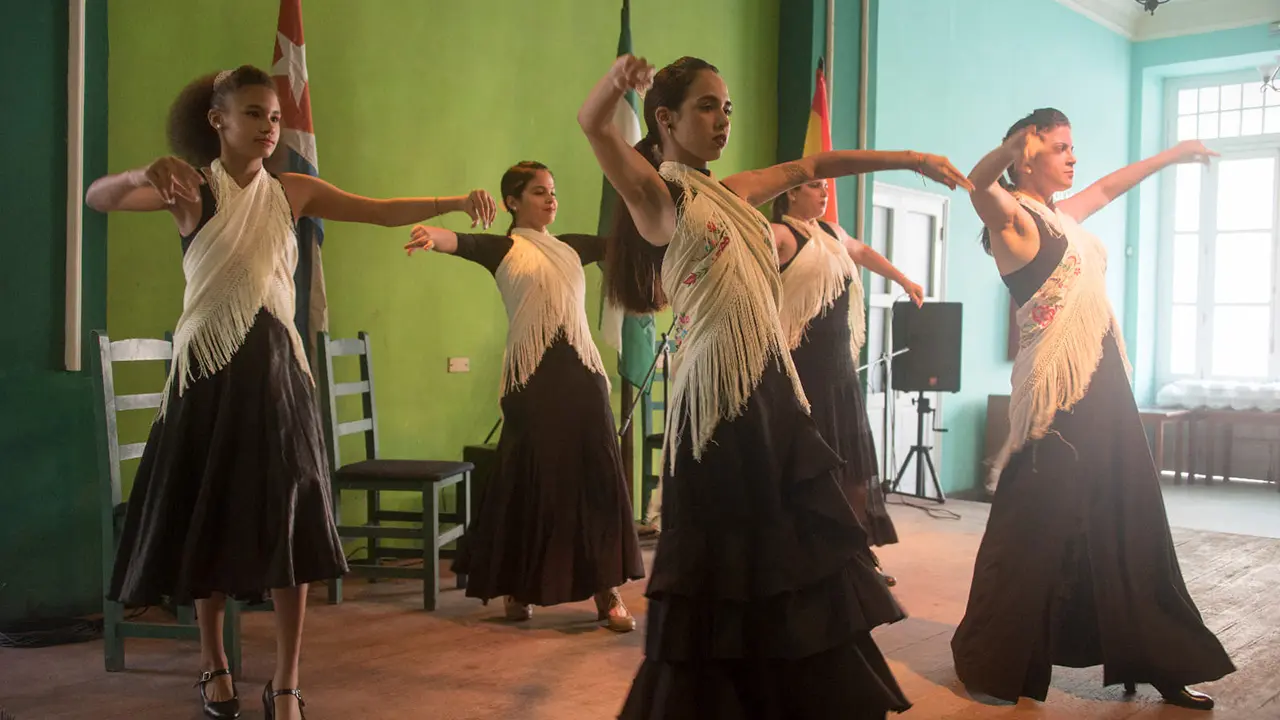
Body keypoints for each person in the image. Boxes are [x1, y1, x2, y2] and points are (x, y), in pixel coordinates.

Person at [86, 65, 497, 720]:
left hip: (280, 378)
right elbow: (98, 198)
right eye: (253, 113)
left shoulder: (293, 190)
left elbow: (376, 210)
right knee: (208, 521)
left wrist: (451, 201)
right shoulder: (190, 188)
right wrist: (142, 174)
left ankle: (286, 682)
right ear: (217, 120)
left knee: (291, 530)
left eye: (274, 116)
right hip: (207, 379)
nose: (268, 126)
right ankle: (214, 666)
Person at [578, 53, 971, 718]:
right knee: (727, 564)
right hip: (717, 405)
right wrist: (614, 83)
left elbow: (813, 167)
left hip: (772, 395)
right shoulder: (657, 196)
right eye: (707, 106)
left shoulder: (733, 190)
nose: (723, 119)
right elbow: (595, 129)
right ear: (666, 119)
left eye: (727, 107)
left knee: (789, 556)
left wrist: (909, 158)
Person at [951, 108, 1235, 711]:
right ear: (1029, 155)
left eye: (1072, 147)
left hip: (1106, 392)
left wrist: (1174, 153)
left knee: (1134, 522)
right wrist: (1009, 149)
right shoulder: (1014, 221)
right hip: (1056, 404)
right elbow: (978, 186)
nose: (1073, 158)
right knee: (1029, 530)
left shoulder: (1063, 217)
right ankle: (994, 659)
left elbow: (1106, 188)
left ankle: (1163, 661)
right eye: (1060, 147)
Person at [405, 161, 644, 632]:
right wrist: (429, 234)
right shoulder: (504, 248)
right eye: (539, 192)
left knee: (597, 479)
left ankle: (606, 591)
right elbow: (457, 239)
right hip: (532, 381)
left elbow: (632, 245)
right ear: (513, 201)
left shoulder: (572, 248)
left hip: (584, 379)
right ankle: (518, 585)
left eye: (552, 191)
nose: (551, 199)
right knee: (528, 478)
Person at [771, 181, 924, 586]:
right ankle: (810, 554)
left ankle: (856, 550)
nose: (823, 194)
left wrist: (903, 279)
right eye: (814, 188)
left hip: (840, 367)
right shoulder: (780, 236)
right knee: (811, 466)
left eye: (825, 188)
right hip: (803, 368)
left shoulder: (833, 234)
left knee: (854, 466)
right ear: (790, 194)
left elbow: (863, 252)